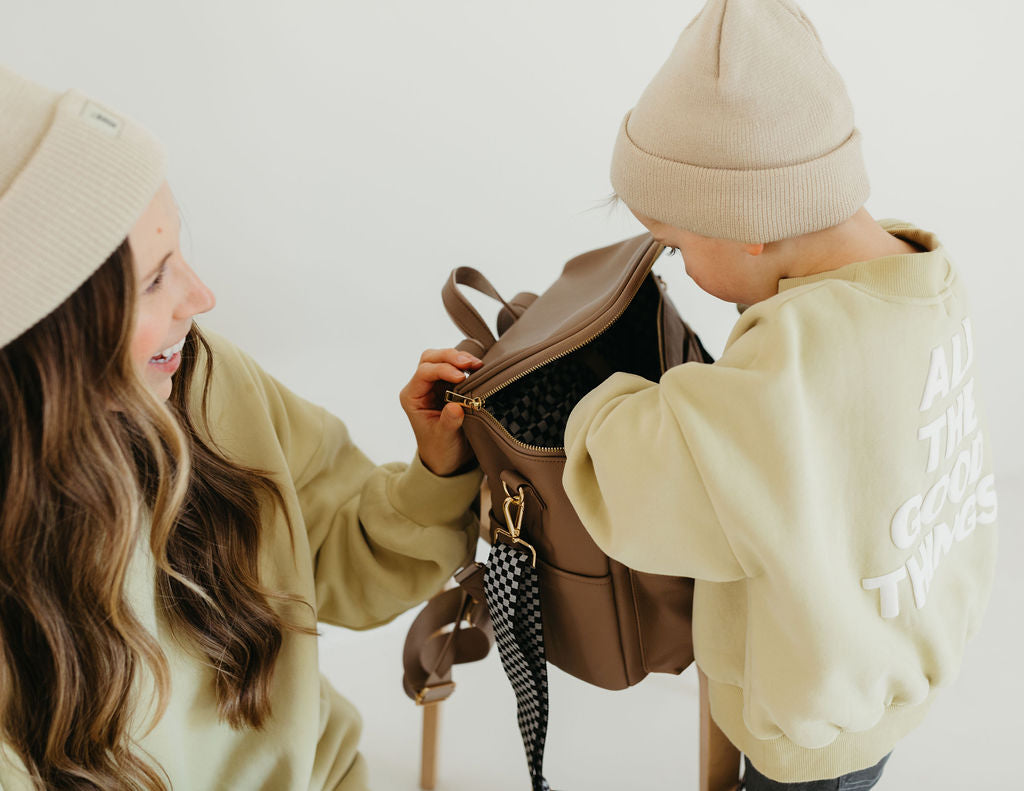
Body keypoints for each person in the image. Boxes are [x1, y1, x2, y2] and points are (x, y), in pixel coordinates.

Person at [0, 65, 483, 790]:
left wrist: (435, 470)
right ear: (51, 330)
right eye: (155, 280)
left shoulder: (209, 381)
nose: (202, 295)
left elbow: (341, 549)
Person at [559, 1, 999, 788]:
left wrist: (592, 408)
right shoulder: (927, 279)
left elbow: (647, 483)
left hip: (813, 730)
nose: (680, 268)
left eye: (679, 244)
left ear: (749, 222)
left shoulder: (794, 361)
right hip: (893, 659)